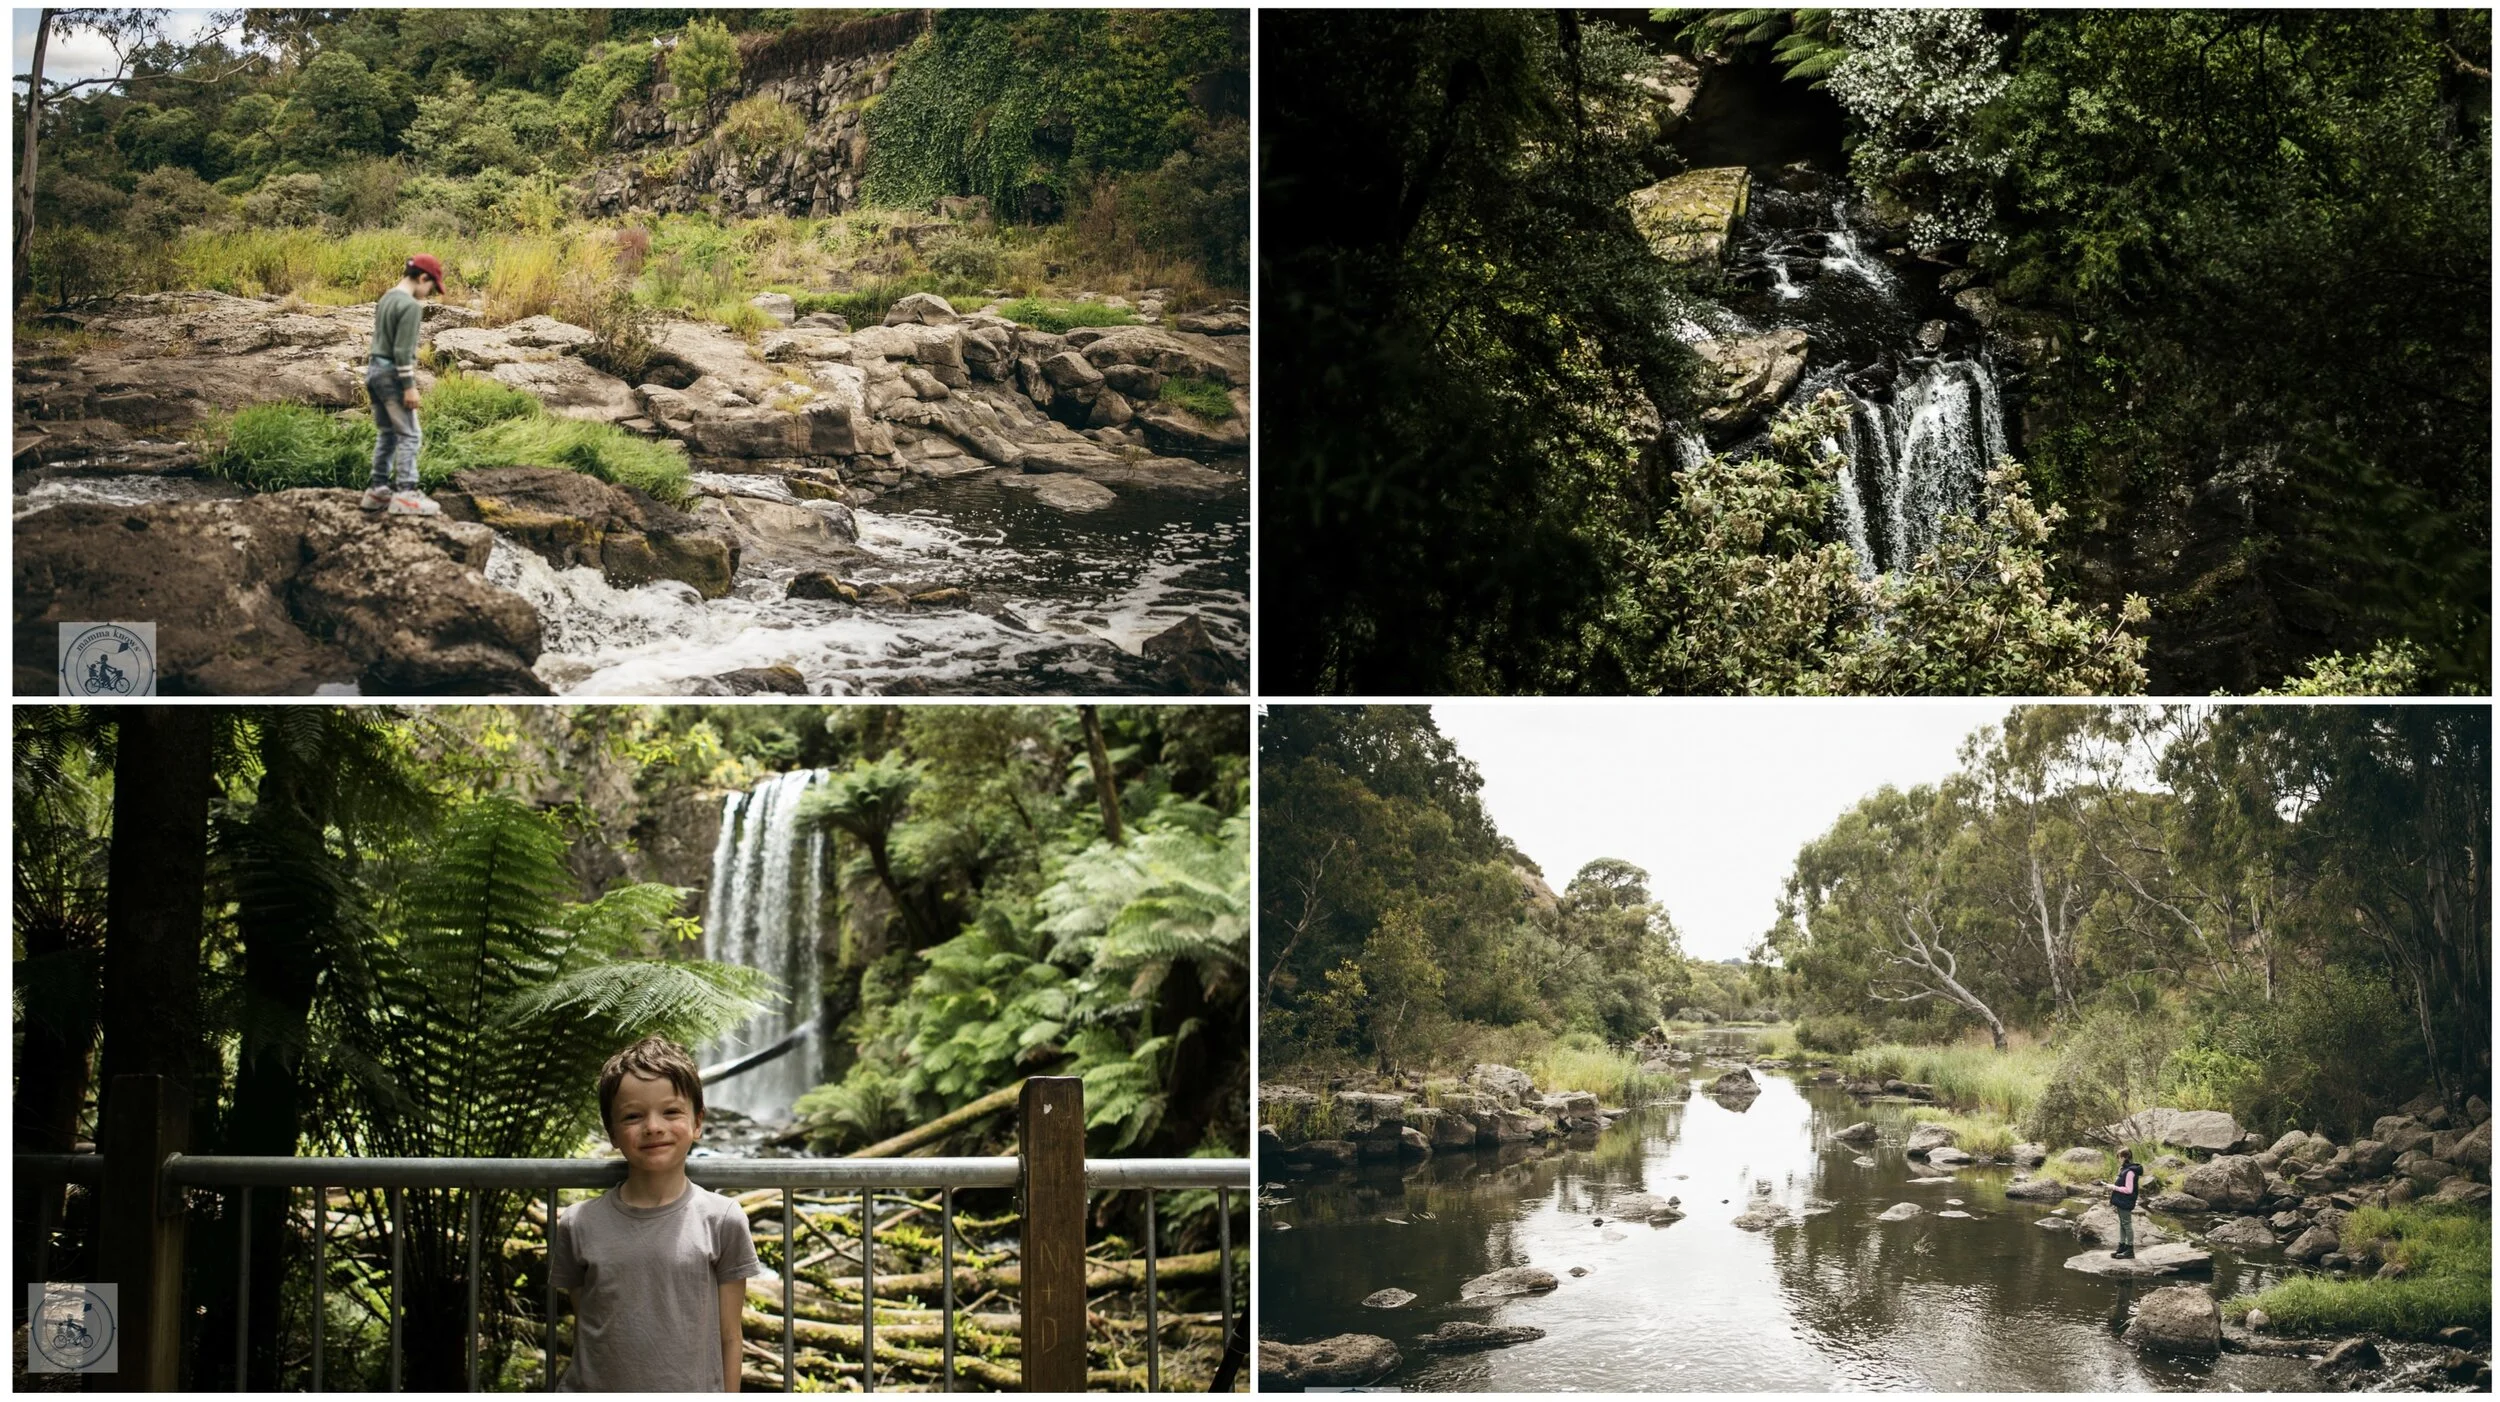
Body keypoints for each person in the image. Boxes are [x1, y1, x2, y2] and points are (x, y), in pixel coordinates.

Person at [550, 1036, 764, 1391]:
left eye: (671, 1112)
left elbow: (730, 1336)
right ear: (612, 1133)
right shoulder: (579, 1224)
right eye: (633, 1116)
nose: (653, 1126)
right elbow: (590, 1326)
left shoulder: (722, 1219)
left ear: (698, 1123)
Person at [362, 254, 446, 516]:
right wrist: (409, 386)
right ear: (423, 277)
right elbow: (402, 350)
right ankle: (406, 493)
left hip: (374, 371)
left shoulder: (387, 297)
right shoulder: (410, 306)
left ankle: (377, 491)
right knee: (410, 434)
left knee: (387, 433)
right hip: (392, 376)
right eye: (431, 286)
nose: (429, 292)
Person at [2097, 1147, 2144, 1259]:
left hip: (2126, 1201)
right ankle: (2122, 1247)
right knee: (2122, 1224)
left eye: (2119, 1157)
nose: (2118, 1159)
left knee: (2127, 1225)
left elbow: (2128, 1190)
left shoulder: (2130, 1172)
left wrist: (2113, 1187)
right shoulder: (2124, 1169)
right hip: (2121, 1200)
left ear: (2124, 1157)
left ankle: (2129, 1250)